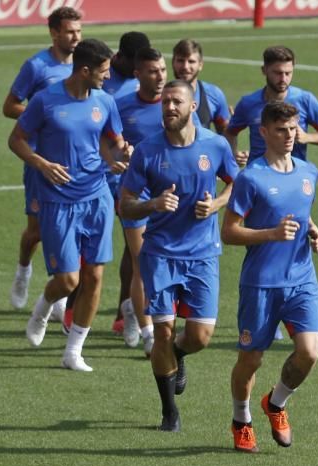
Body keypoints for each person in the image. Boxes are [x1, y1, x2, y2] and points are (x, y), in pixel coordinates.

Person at [119, 79, 238, 431]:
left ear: (191, 106)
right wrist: (152, 204)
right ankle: (169, 411)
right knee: (164, 332)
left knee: (200, 337)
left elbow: (236, 183)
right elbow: (125, 204)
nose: (169, 107)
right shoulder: (147, 150)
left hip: (202, 254)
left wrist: (215, 203)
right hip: (160, 255)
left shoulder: (215, 146)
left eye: (176, 102)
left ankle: (179, 357)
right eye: (165, 102)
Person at [9, 38, 129, 372]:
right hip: (57, 200)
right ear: (85, 70)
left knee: (95, 274)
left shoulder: (105, 102)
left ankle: (73, 351)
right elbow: (15, 139)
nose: (108, 77)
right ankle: (44, 306)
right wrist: (41, 163)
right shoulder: (45, 101)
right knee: (68, 280)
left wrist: (123, 154)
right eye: (103, 71)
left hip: (97, 196)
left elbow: (113, 142)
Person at [221, 101, 318, 453]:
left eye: (293, 129)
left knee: (309, 353)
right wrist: (270, 234)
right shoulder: (251, 177)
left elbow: (301, 214)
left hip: (302, 278)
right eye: (281, 130)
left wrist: (313, 232)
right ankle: (241, 419)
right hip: (261, 283)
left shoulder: (309, 173)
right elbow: (229, 232)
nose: (289, 136)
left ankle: (276, 403)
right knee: (251, 359)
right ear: (264, 132)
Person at [4, 6, 83, 313]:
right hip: (40, 160)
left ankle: (60, 292)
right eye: (69, 32)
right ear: (54, 33)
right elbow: (10, 106)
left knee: (67, 229)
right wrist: (44, 114)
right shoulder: (37, 66)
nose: (75, 37)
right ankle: (23, 270)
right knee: (36, 231)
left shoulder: (84, 65)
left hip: (75, 163)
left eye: (79, 31)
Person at [114, 47, 169, 355]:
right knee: (141, 262)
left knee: (159, 262)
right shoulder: (121, 107)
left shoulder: (175, 105)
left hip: (169, 196)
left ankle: (133, 309)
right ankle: (149, 334)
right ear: (138, 75)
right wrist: (117, 156)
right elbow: (104, 144)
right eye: (152, 71)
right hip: (135, 195)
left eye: (162, 70)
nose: (159, 76)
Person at [226, 45, 318, 167]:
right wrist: (233, 154)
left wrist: (307, 137)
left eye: (288, 73)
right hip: (259, 176)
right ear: (264, 70)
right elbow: (230, 132)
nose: (283, 79)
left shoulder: (305, 99)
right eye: (278, 73)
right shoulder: (248, 103)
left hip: (294, 175)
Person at [171, 39, 232, 133]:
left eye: (191, 61)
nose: (185, 67)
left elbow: (225, 133)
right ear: (173, 63)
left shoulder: (214, 95)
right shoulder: (163, 96)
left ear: (200, 65)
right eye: (180, 61)